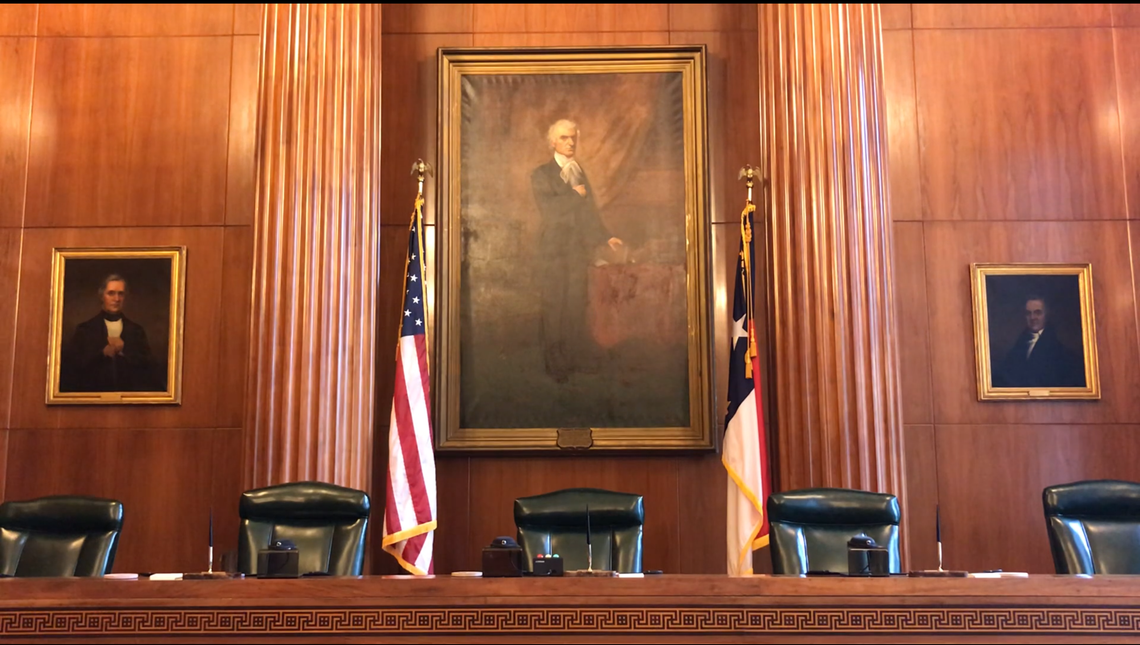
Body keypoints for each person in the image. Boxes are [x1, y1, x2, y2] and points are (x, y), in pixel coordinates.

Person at [530, 119, 623, 382]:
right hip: (553, 252)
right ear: (553, 143)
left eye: (573, 138)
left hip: (576, 252)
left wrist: (607, 237)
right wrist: (574, 195)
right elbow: (550, 212)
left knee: (575, 304)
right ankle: (555, 362)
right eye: (564, 138)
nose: (570, 142)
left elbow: (589, 213)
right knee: (554, 305)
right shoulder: (540, 174)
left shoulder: (578, 171)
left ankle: (573, 356)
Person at [60, 274, 161, 392]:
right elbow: (71, 369)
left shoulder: (136, 331)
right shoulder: (85, 330)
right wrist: (102, 353)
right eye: (111, 293)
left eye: (121, 294)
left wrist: (124, 351)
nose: (116, 299)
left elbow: (149, 370)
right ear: (102, 296)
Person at [992, 294, 1085, 388]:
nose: (1032, 317)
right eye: (1029, 313)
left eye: (1037, 313)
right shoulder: (1019, 345)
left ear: (1046, 315)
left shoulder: (1059, 351)